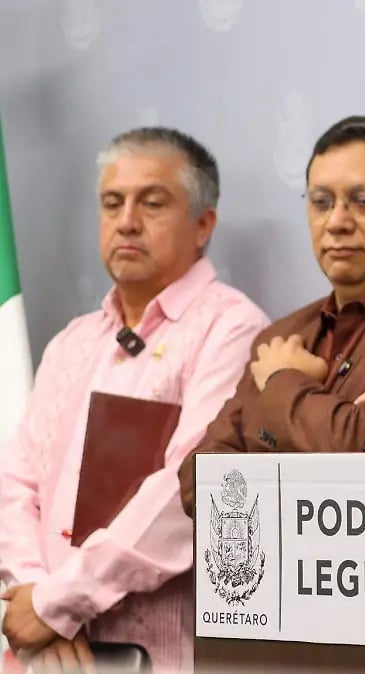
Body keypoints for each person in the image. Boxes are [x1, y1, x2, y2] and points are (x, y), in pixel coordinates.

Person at [0, 127, 270, 672]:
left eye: (152, 203)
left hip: (156, 654)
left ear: (203, 224)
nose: (126, 221)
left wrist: (59, 603)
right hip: (40, 652)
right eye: (112, 203)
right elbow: (14, 486)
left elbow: (189, 495)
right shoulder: (72, 341)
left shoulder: (233, 330)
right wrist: (33, 596)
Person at [178, 116, 365, 516]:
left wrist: (283, 385)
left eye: (363, 202)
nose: (336, 222)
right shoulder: (281, 338)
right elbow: (200, 482)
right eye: (321, 202)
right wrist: (331, 428)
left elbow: (355, 463)